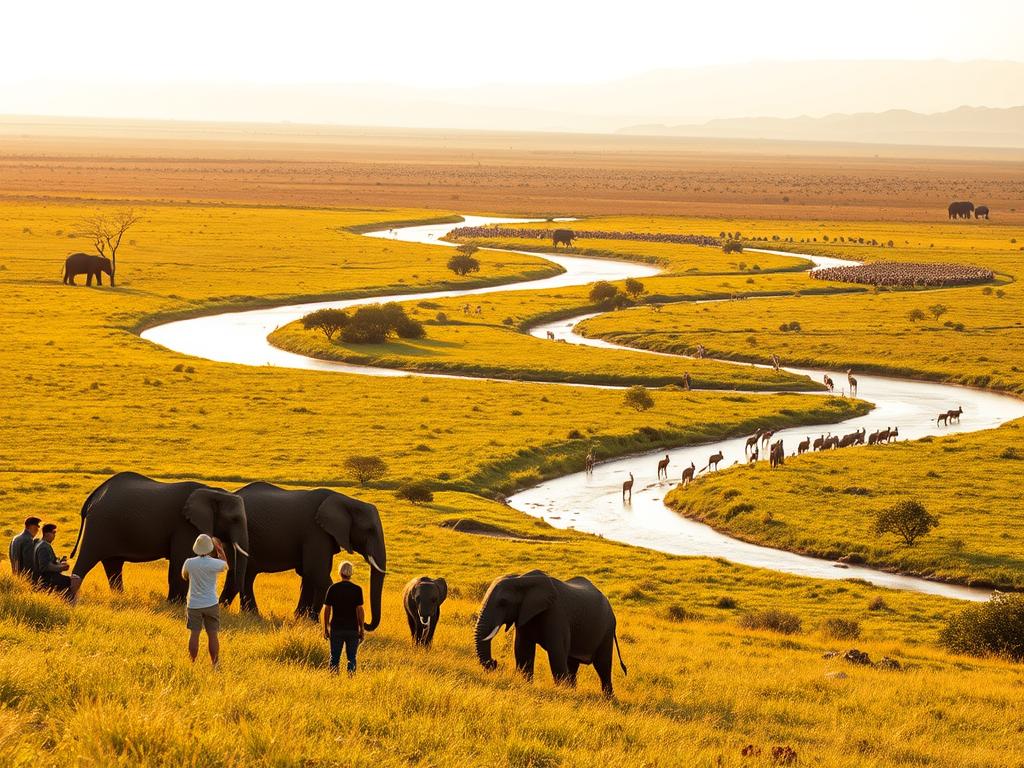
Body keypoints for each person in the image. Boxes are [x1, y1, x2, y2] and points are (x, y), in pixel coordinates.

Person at [181, 534, 228, 667]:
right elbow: (226, 566)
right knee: (212, 635)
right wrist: (220, 549)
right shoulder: (215, 563)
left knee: (194, 634)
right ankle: (215, 664)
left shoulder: (189, 562)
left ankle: (192, 663)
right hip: (211, 603)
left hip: (194, 604)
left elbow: (184, 576)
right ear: (209, 548)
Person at [323, 561, 365, 674]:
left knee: (334, 658)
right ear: (351, 573)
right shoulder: (357, 589)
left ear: (340, 573)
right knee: (351, 658)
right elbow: (360, 610)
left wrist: (326, 627)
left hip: (336, 629)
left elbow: (327, 609)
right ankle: (350, 680)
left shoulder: (333, 588)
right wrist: (362, 628)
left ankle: (333, 681)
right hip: (352, 629)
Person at [32, 523, 82, 602]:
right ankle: (69, 602)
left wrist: (60, 563)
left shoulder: (41, 544)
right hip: (48, 579)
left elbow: (50, 562)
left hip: (47, 577)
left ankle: (64, 598)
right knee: (77, 580)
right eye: (53, 532)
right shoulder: (44, 546)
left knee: (73, 578)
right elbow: (45, 567)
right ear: (46, 533)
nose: (54, 535)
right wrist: (62, 567)